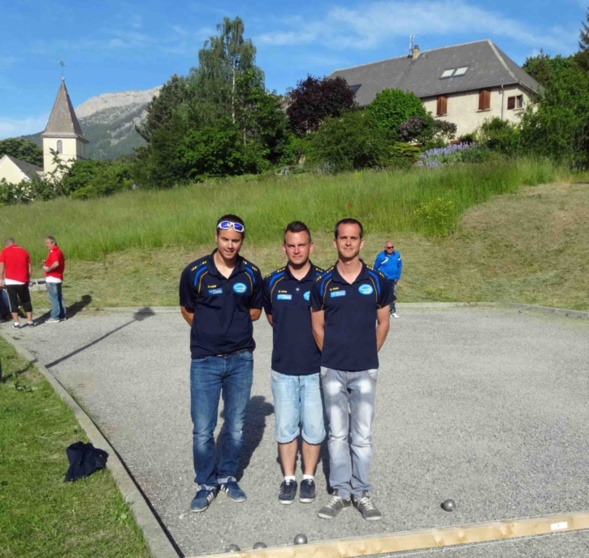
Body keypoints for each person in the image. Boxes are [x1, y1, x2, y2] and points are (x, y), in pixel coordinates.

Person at [179, 215, 263, 513]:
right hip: (205, 360)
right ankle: (205, 482)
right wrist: (209, 332)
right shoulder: (195, 272)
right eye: (225, 239)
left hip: (241, 359)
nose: (230, 245)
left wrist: (231, 329)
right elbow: (187, 310)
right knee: (203, 428)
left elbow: (255, 311)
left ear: (242, 242)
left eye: (236, 241)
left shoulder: (251, 272)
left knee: (236, 426)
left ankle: (227, 476)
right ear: (216, 238)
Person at [311, 218, 392, 521]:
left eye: (353, 238)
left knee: (362, 435)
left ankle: (361, 493)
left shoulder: (376, 281)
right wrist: (331, 355)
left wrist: (368, 353)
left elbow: (383, 323)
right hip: (332, 368)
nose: (348, 242)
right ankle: (340, 493)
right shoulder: (323, 283)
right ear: (335, 242)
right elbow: (317, 325)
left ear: (361, 242)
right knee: (336, 435)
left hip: (365, 370)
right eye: (342, 238)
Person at [263, 221, 325, 505]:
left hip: (316, 369)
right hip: (283, 369)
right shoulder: (273, 282)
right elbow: (271, 317)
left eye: (302, 245)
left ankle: (309, 477)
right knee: (286, 427)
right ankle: (289, 478)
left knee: (313, 428)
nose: (297, 250)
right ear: (284, 248)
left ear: (311, 247)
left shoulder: (325, 280)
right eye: (291, 245)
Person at [0, 238, 35, 329]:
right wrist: (28, 279)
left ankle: (16, 323)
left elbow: (2, 266)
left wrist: (0, 278)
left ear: (6, 245)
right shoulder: (24, 251)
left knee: (13, 302)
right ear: (15, 243)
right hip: (22, 280)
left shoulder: (4, 251)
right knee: (26, 300)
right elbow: (29, 268)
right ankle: (30, 321)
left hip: (10, 281)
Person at [373, 241, 402, 318]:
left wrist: (398, 276)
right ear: (385, 248)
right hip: (384, 279)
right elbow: (375, 268)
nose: (391, 249)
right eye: (389, 247)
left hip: (394, 279)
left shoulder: (397, 255)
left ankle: (392, 311)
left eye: (392, 247)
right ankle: (379, 311)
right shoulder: (380, 256)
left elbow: (399, 265)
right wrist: (378, 278)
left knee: (392, 295)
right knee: (382, 295)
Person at [42, 236, 66, 323]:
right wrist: (47, 262)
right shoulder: (58, 251)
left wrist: (48, 269)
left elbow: (56, 263)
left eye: (47, 243)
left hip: (52, 278)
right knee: (59, 297)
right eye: (46, 243)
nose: (46, 245)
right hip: (58, 277)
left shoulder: (54, 251)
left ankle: (55, 316)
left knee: (53, 298)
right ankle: (62, 315)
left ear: (53, 243)